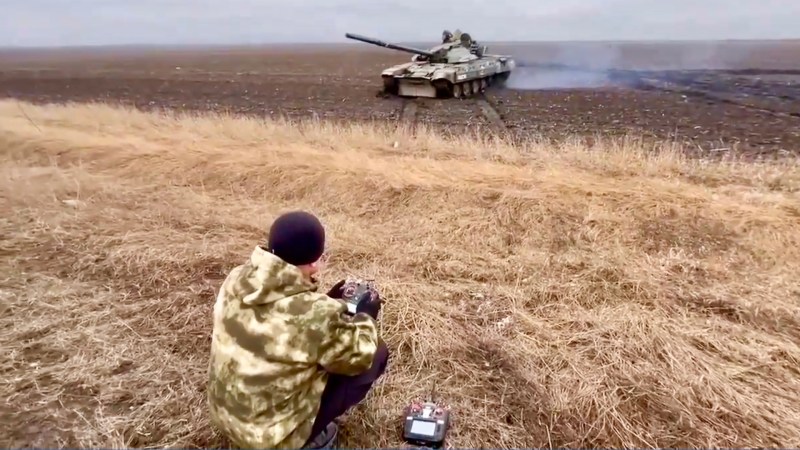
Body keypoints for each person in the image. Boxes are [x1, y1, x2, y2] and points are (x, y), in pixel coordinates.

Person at [207, 210, 389, 449]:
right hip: (271, 441)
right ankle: (312, 441)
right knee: (377, 352)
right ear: (315, 261)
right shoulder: (314, 314)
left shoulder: (236, 278)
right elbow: (359, 356)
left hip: (226, 418)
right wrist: (367, 316)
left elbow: (279, 321)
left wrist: (325, 302)